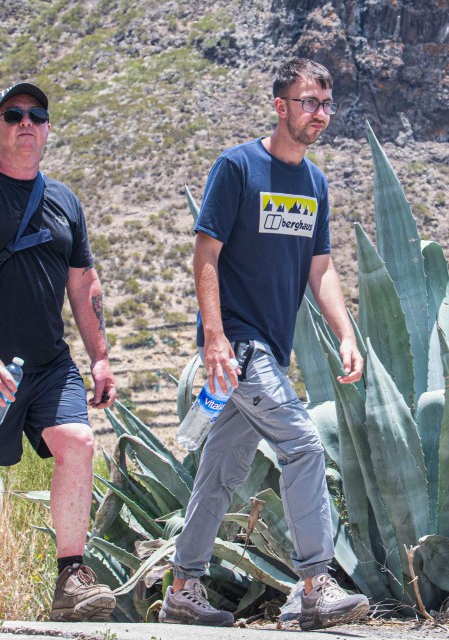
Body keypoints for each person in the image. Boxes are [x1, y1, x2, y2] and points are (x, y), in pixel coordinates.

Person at [159, 58, 369, 631]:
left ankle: (183, 587)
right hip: (241, 348)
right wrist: (215, 339)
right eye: (308, 103)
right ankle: (313, 587)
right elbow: (206, 254)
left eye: (326, 104)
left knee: (220, 472)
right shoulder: (238, 167)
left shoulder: (315, 183)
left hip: (272, 352)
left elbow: (320, 269)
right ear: (280, 106)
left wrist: (345, 334)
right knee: (304, 445)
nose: (319, 114)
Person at [0, 82, 118, 622]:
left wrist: (100, 357)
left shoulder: (64, 200)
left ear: (47, 129)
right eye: (13, 114)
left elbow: (84, 282)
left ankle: (71, 579)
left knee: (78, 441)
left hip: (47, 362)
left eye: (36, 115)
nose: (26, 122)